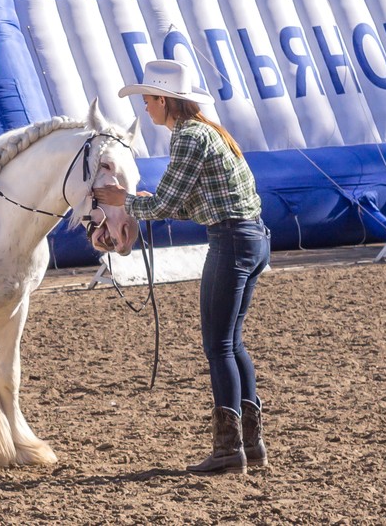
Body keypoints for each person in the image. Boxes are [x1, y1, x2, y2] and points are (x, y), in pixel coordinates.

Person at [93, 59, 270, 475]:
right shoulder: (208, 132)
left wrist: (124, 201)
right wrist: (141, 201)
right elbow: (196, 202)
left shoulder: (187, 137)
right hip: (252, 238)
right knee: (234, 343)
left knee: (219, 346)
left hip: (230, 242)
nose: (146, 109)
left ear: (163, 100)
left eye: (148, 100)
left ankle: (229, 451)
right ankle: (251, 442)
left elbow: (167, 205)